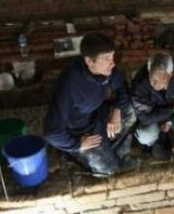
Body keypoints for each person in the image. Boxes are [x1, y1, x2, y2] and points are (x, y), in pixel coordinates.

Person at [44, 33, 138, 177]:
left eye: (112, 57)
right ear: (89, 61)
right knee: (108, 170)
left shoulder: (107, 70)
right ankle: (74, 153)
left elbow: (121, 88)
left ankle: (115, 153)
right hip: (81, 130)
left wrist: (117, 111)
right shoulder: (69, 85)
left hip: (99, 115)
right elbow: (52, 132)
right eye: (106, 59)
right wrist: (77, 144)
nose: (112, 63)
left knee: (130, 111)